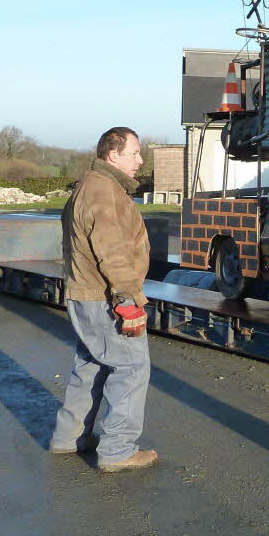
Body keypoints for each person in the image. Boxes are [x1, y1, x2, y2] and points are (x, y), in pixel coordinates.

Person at [49, 127, 158, 473]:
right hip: (106, 297)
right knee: (131, 368)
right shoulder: (103, 190)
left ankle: (69, 437)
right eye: (134, 153)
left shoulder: (91, 185)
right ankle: (117, 451)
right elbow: (111, 249)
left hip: (87, 294)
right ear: (113, 154)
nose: (140, 160)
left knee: (91, 364)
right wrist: (127, 299)